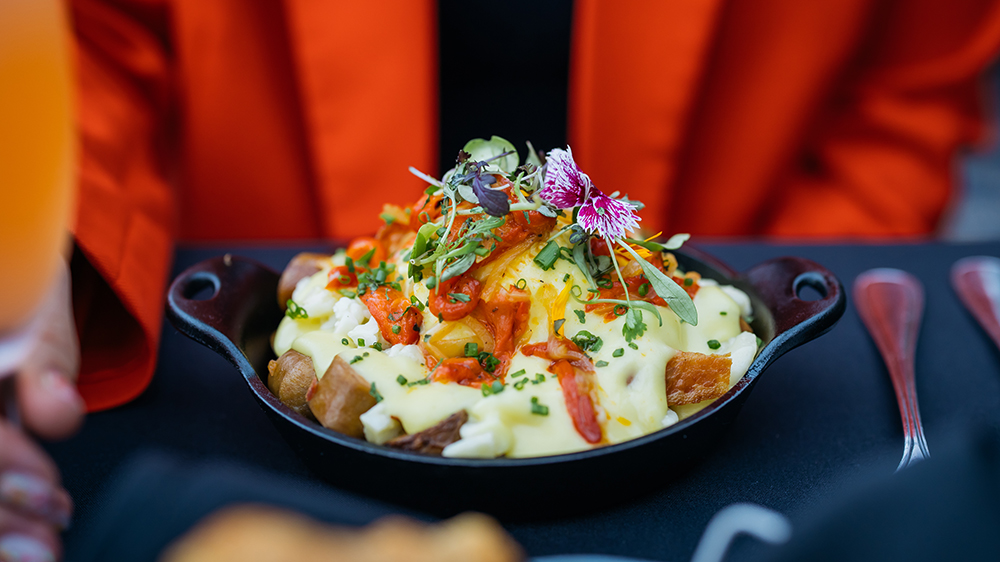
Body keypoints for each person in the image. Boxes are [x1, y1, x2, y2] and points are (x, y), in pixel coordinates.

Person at [4, 0, 1000, 559]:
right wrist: (41, 229)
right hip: (261, 488)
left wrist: (742, 304)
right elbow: (83, 29)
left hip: (705, 422)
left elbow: (910, 75)